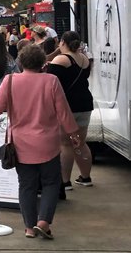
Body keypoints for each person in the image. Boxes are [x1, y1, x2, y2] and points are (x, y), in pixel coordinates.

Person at [0, 44, 80, 240]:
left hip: (20, 145)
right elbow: (63, 111)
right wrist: (73, 134)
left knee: (26, 186)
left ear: (20, 62)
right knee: (51, 183)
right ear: (43, 63)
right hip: (48, 144)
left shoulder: (10, 80)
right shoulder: (51, 81)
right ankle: (43, 221)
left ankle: (29, 227)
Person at [47, 31, 94, 190]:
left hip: (67, 106)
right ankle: (85, 177)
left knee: (65, 144)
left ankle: (65, 181)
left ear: (62, 42)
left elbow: (50, 80)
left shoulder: (61, 59)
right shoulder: (84, 59)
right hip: (85, 104)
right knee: (80, 143)